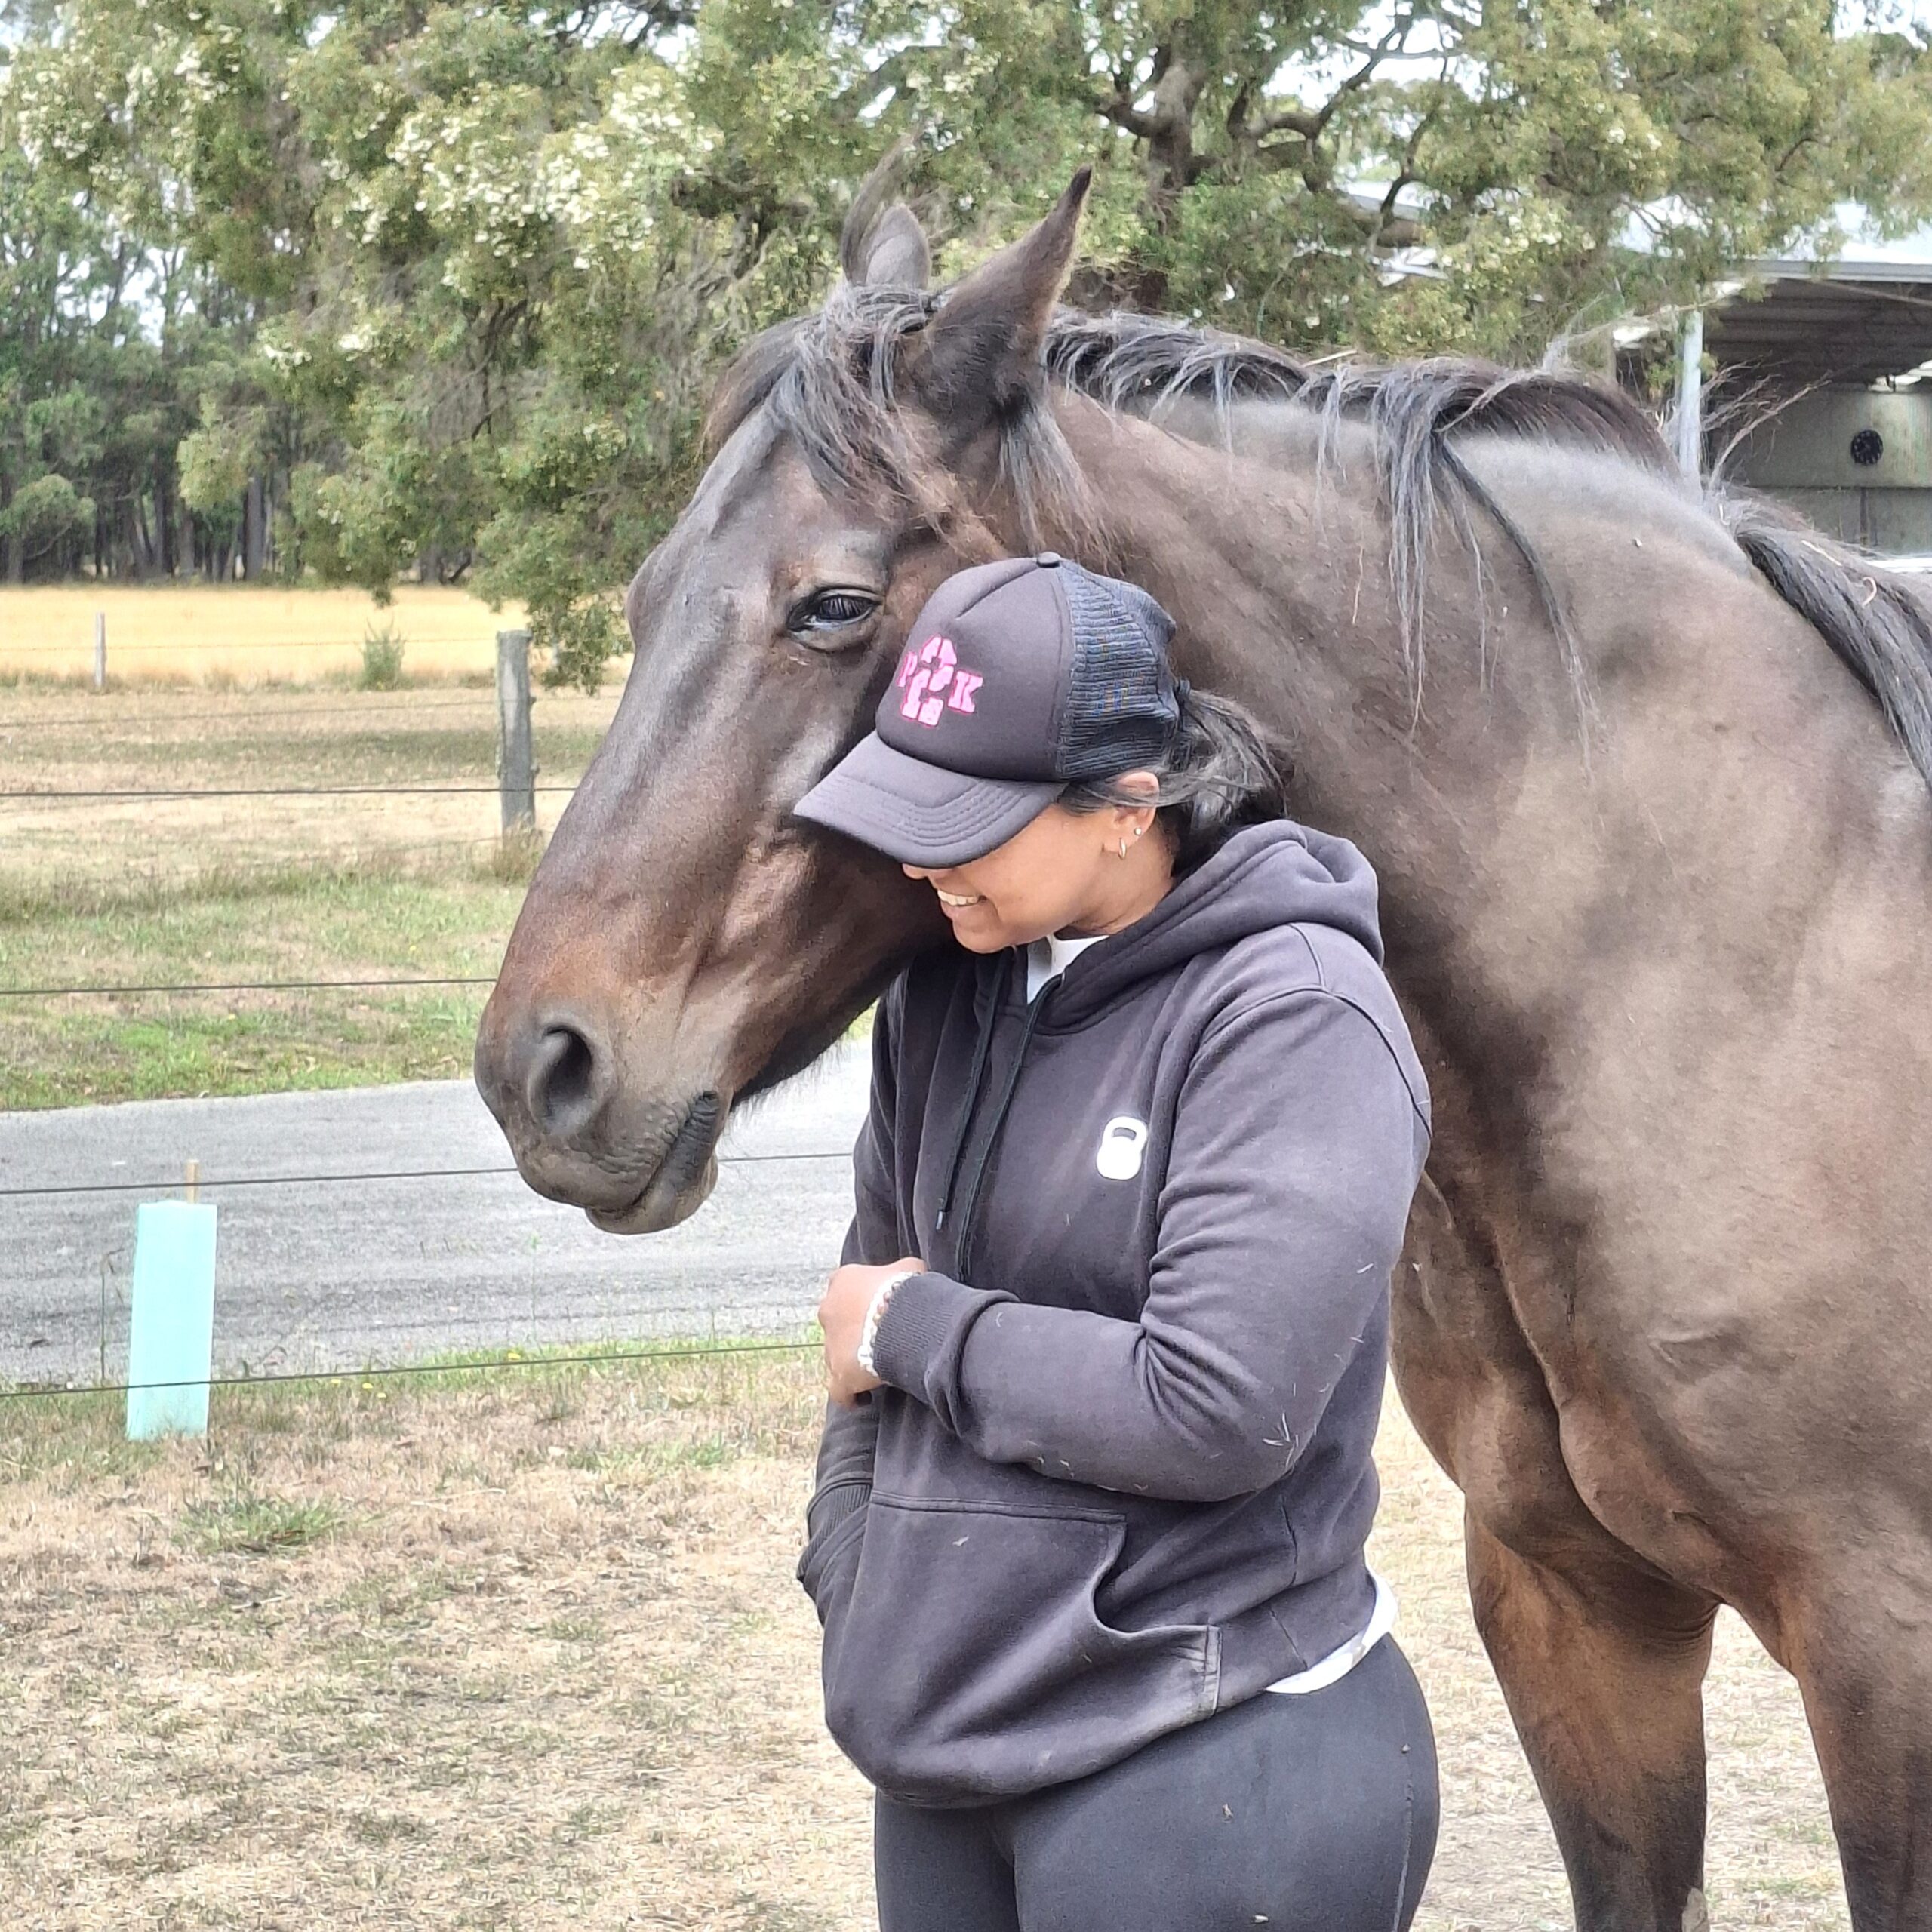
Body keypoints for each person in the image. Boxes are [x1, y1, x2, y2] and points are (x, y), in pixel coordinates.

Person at [791, 552, 1438, 1932]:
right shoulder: (942, 997)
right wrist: (858, 1574)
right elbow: (862, 1337)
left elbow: (1217, 1407)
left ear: (1126, 806)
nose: (920, 858)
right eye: (909, 807)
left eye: (967, 821)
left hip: (1211, 1761)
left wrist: (925, 1334)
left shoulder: (1296, 1012)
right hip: (952, 1751)